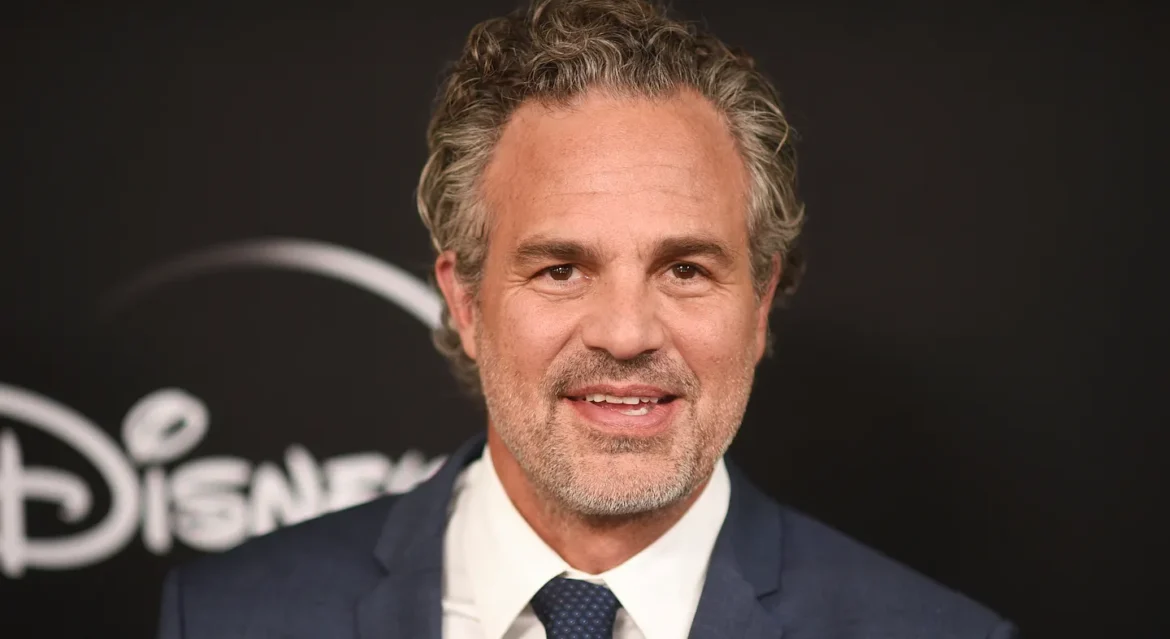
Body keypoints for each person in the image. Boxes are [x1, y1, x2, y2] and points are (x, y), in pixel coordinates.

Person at [155, 0, 1019, 637]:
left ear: (759, 304)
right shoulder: (231, 618)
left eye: (685, 269)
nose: (627, 332)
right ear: (465, 301)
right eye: (562, 269)